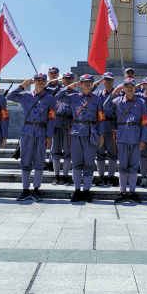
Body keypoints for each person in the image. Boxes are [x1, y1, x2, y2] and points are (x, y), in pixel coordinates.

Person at [54, 74, 105, 202]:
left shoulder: (97, 99)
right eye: (84, 82)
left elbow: (101, 119)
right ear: (80, 84)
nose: (87, 84)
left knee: (89, 163)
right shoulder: (73, 97)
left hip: (91, 133)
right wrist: (69, 87)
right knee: (76, 163)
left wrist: (101, 134)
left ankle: (86, 190)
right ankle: (77, 190)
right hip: (76, 132)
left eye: (89, 82)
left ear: (92, 84)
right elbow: (57, 96)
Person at [8, 73, 56, 202]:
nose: (40, 82)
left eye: (42, 80)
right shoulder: (25, 95)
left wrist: (49, 135)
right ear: (33, 82)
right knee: (25, 160)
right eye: (37, 80)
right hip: (27, 131)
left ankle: (36, 189)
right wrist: (21, 87)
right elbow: (10, 96)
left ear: (45, 82)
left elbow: (52, 118)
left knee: (39, 161)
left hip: (42, 132)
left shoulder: (50, 98)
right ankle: (25, 189)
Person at [103, 78, 147, 203]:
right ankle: (123, 192)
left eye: (132, 86)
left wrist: (143, 139)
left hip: (136, 135)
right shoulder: (118, 100)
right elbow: (105, 107)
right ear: (123, 88)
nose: (129, 88)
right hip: (122, 135)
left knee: (134, 165)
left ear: (135, 88)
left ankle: (132, 192)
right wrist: (113, 94)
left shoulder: (141, 102)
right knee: (122, 164)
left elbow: (145, 122)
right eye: (127, 86)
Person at [93, 72, 119, 187]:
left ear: (113, 81)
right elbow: (87, 93)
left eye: (110, 79)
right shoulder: (97, 94)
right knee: (100, 153)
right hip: (100, 126)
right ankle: (101, 176)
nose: (108, 81)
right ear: (102, 81)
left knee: (113, 153)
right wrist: (95, 85)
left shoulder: (118, 94)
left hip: (113, 126)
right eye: (106, 79)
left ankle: (111, 176)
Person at [49, 72, 75, 186]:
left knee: (68, 151)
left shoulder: (76, 94)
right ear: (62, 80)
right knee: (56, 150)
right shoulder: (57, 92)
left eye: (70, 78)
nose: (68, 80)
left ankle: (65, 175)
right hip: (57, 123)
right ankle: (56, 175)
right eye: (66, 78)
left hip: (69, 124)